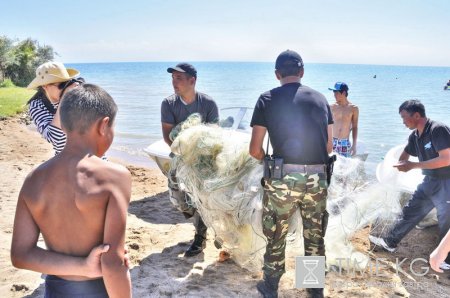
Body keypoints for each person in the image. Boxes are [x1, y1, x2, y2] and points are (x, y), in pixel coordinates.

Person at [11, 84, 132, 297]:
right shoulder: (115, 176)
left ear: (64, 124)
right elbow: (112, 263)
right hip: (99, 290)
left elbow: (21, 255)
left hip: (56, 290)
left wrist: (83, 266)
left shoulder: (33, 179)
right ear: (104, 125)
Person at [249, 50, 333, 298]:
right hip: (318, 178)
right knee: (315, 235)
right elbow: (329, 146)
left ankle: (270, 287)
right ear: (302, 72)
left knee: (276, 233)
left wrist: (270, 163)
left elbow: (255, 149)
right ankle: (314, 288)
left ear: (277, 74)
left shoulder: (266, 98)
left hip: (282, 179)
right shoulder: (320, 99)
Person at [369, 99, 450, 271]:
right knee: (411, 211)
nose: (403, 122)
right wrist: (400, 165)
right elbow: (403, 157)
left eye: (404, 117)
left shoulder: (437, 129)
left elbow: (446, 158)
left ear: (417, 115)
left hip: (447, 183)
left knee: (446, 222)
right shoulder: (414, 136)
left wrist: (413, 165)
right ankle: (390, 242)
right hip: (429, 181)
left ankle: (446, 260)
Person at [161, 62, 219, 257]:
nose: (174, 83)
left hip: (204, 161)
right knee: (180, 201)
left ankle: (200, 238)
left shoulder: (208, 104)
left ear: (192, 80)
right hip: (179, 159)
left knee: (202, 198)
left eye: (178, 78)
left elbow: (214, 136)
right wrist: (186, 156)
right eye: (172, 78)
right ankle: (201, 222)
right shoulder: (168, 104)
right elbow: (168, 137)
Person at [27, 61, 84, 154]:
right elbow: (57, 139)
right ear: (45, 86)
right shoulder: (37, 106)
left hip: (95, 158)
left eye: (67, 83)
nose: (67, 88)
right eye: (62, 85)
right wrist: (65, 99)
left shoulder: (79, 98)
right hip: (66, 160)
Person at [328, 82, 359, 157]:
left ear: (344, 93)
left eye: (336, 92)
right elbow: (326, 125)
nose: (334, 95)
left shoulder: (353, 108)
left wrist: (354, 145)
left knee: (344, 167)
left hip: (344, 143)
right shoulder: (331, 107)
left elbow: (355, 127)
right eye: (334, 92)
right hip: (333, 141)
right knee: (331, 166)